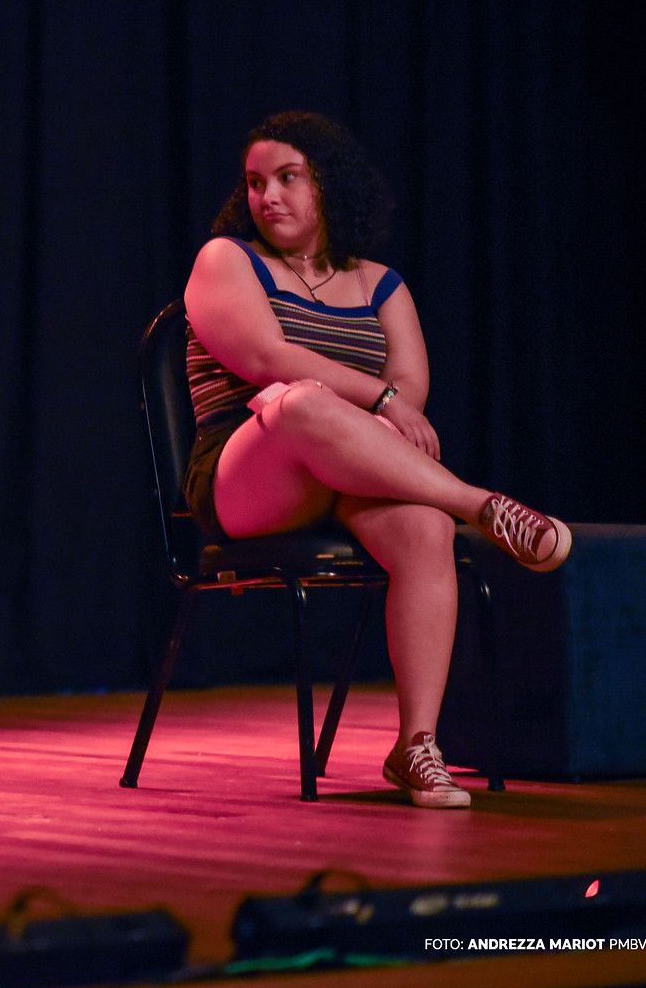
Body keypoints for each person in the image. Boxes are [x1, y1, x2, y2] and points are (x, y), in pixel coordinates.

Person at [182, 111, 569, 810]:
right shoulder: (225, 260)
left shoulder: (381, 285)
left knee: (425, 529)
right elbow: (267, 358)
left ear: (328, 182)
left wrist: (389, 404)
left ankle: (417, 746)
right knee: (299, 402)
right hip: (246, 475)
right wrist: (380, 398)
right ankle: (480, 504)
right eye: (256, 182)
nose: (268, 196)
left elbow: (411, 392)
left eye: (288, 177)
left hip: (348, 470)